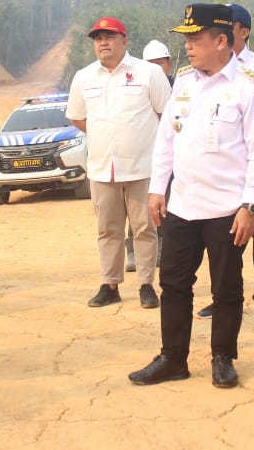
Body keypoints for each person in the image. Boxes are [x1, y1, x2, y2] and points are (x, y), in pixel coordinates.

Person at [128, 3, 254, 388]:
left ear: (221, 41)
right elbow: (167, 139)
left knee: (226, 287)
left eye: (196, 38)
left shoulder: (248, 84)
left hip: (227, 208)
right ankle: (173, 357)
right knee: (174, 283)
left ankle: (222, 357)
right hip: (182, 206)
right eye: (186, 39)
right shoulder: (184, 83)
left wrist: (250, 205)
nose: (188, 46)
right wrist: (158, 187)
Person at [66, 16, 171, 309]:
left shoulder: (149, 73)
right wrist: (105, 135)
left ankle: (146, 285)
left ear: (124, 41)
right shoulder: (83, 77)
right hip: (101, 169)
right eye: (98, 38)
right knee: (108, 230)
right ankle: (110, 284)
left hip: (142, 168)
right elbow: (76, 116)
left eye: (110, 37)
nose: (103, 42)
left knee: (145, 229)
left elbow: (168, 115)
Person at [196, 4, 254, 325]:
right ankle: (221, 298)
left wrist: (253, 152)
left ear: (243, 32)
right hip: (221, 172)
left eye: (228, 26)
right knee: (220, 237)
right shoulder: (205, 71)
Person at [124, 39, 175, 272]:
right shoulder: (136, 86)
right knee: (138, 208)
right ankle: (133, 252)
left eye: (160, 63)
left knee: (166, 206)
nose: (156, 67)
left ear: (169, 64)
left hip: (172, 157)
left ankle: (163, 250)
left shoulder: (182, 87)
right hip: (143, 157)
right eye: (151, 63)